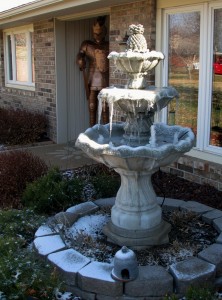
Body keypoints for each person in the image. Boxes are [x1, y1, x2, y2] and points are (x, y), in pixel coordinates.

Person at [76, 16, 109, 126]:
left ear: (104, 32)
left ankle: (106, 130)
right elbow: (80, 54)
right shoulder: (87, 44)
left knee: (105, 107)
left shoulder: (108, 45)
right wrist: (80, 59)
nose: (97, 35)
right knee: (92, 106)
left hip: (104, 79)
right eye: (96, 33)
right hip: (92, 77)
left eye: (100, 33)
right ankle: (91, 129)